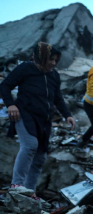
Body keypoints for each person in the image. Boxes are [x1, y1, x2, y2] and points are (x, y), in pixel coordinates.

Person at [0, 42, 76, 199]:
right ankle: (16, 185)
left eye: (56, 60)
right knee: (29, 146)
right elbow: (5, 86)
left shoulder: (54, 75)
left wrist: (67, 114)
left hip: (45, 120)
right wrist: (11, 105)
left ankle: (29, 191)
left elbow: (58, 98)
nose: (54, 63)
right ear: (41, 57)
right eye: (51, 59)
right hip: (25, 114)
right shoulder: (26, 68)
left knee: (40, 157)